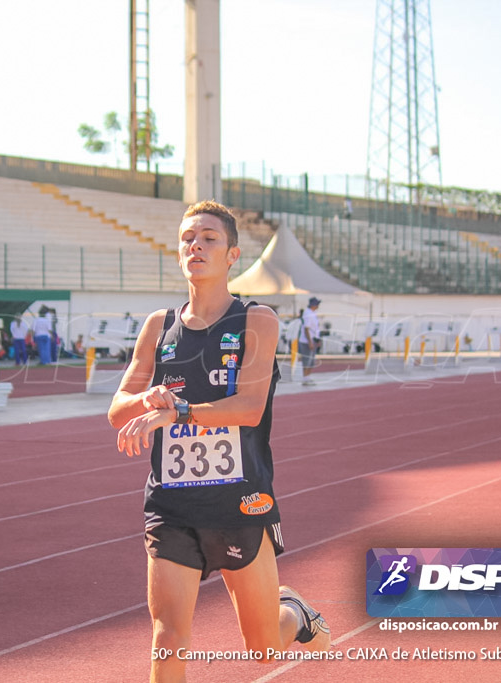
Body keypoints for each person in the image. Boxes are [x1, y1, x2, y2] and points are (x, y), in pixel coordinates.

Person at [108, 200, 330, 681]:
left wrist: (178, 411)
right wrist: (150, 397)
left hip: (239, 504)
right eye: (188, 237)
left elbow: (249, 408)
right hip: (171, 506)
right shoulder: (158, 327)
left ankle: (294, 613)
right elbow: (116, 409)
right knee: (168, 636)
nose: (196, 245)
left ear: (232, 254)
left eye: (209, 237)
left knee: (264, 651)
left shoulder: (257, 320)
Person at [299, 297, 322, 386]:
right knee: (307, 360)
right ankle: (305, 378)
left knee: (311, 360)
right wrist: (310, 341)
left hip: (313, 339)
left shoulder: (313, 313)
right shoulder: (308, 313)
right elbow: (306, 329)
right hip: (307, 341)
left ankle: (308, 377)